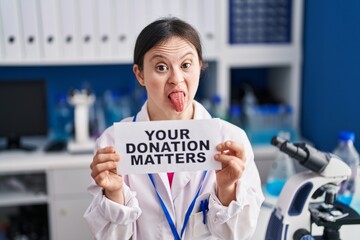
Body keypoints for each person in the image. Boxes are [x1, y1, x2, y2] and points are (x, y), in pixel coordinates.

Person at [84, 17, 264, 240]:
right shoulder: (113, 143)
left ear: (200, 65)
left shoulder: (232, 140)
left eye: (186, 65)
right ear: (140, 74)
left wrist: (227, 190)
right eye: (161, 67)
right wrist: (114, 194)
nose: (176, 79)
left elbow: (240, 234)